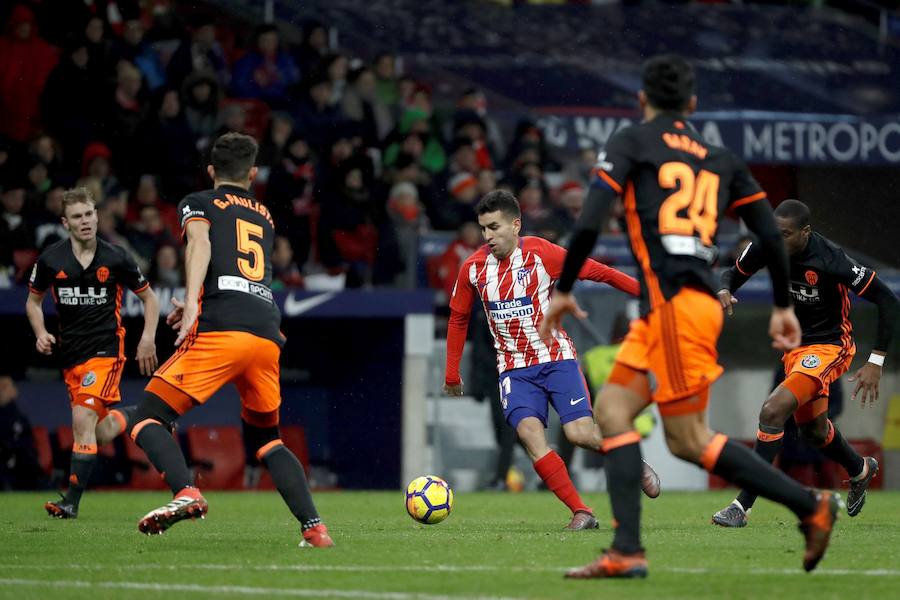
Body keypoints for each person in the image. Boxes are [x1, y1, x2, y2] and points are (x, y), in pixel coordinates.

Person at [543, 54, 839, 578]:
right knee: (611, 412)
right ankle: (626, 551)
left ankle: (809, 507)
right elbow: (769, 233)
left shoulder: (630, 142)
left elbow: (590, 218)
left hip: (681, 308)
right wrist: (781, 306)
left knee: (689, 441)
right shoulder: (719, 156)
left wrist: (563, 289)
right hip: (674, 309)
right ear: (693, 105)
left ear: (643, 100)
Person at [123, 133, 333, 548]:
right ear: (253, 174)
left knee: (147, 418)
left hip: (222, 330)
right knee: (266, 439)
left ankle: (186, 492)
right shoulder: (265, 216)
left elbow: (200, 245)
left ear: (212, 171)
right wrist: (201, 298)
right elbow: (241, 274)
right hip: (266, 335)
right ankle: (315, 528)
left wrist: (196, 306)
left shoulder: (197, 201)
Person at [443, 190, 661, 531]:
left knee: (579, 434)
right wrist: (452, 373)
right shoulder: (472, 269)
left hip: (555, 358)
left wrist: (653, 297)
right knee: (530, 436)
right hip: (514, 369)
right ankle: (582, 512)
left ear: (515, 225)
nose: (487, 236)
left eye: (494, 227)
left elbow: (600, 272)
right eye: (483, 228)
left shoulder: (542, 253)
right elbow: (457, 318)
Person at [711, 199, 899, 527]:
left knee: (772, 410)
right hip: (795, 350)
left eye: (785, 234)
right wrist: (725, 288)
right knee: (813, 430)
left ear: (805, 232)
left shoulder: (831, 259)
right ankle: (860, 469)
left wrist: (876, 360)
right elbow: (733, 272)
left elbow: (887, 299)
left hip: (829, 346)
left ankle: (741, 507)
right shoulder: (767, 243)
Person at [26, 187, 159, 518]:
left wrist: (148, 338)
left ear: (97, 216)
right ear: (65, 222)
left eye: (89, 214)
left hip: (106, 351)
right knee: (95, 432)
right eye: (76, 217)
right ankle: (134, 415)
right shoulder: (50, 260)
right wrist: (40, 332)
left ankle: (70, 501)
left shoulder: (117, 257)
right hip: (71, 356)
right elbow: (33, 301)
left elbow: (150, 299)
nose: (84, 221)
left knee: (81, 419)